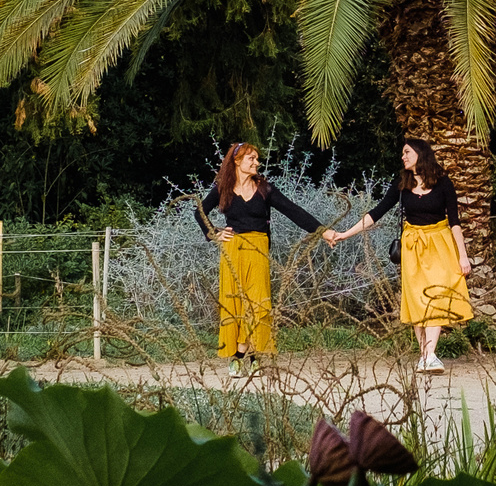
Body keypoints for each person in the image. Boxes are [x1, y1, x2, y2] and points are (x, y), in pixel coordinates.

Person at [324, 138, 474, 372]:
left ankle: (430, 354)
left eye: (407, 152)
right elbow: (376, 213)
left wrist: (462, 256)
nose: (402, 157)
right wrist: (345, 234)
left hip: (440, 244)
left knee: (437, 298)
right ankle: (426, 356)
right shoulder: (402, 184)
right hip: (412, 246)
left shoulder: (443, 183)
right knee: (416, 300)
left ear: (420, 154)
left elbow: (455, 222)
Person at [203, 143, 323, 376]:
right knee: (234, 303)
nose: (256, 162)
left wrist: (322, 231)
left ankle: (248, 354)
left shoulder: (264, 188)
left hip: (258, 248)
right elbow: (199, 211)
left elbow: (293, 210)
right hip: (232, 250)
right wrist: (213, 232)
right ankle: (244, 356)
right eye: (251, 158)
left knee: (257, 303)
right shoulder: (223, 188)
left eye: (257, 158)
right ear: (237, 161)